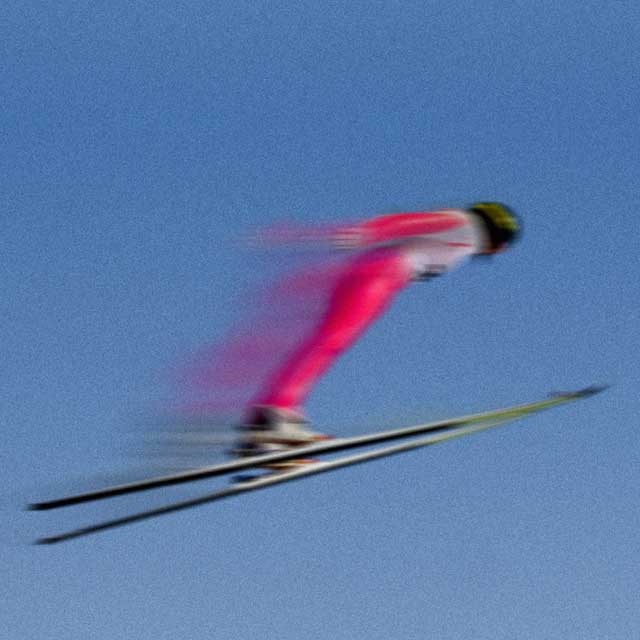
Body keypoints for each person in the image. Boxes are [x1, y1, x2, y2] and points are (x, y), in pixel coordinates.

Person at [235, 202, 520, 459]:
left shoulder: (466, 237)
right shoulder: (467, 225)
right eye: (502, 246)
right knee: (330, 342)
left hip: (381, 275)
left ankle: (276, 418)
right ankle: (274, 416)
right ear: (499, 234)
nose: (498, 252)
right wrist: (367, 232)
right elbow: (413, 221)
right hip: (379, 274)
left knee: (329, 342)